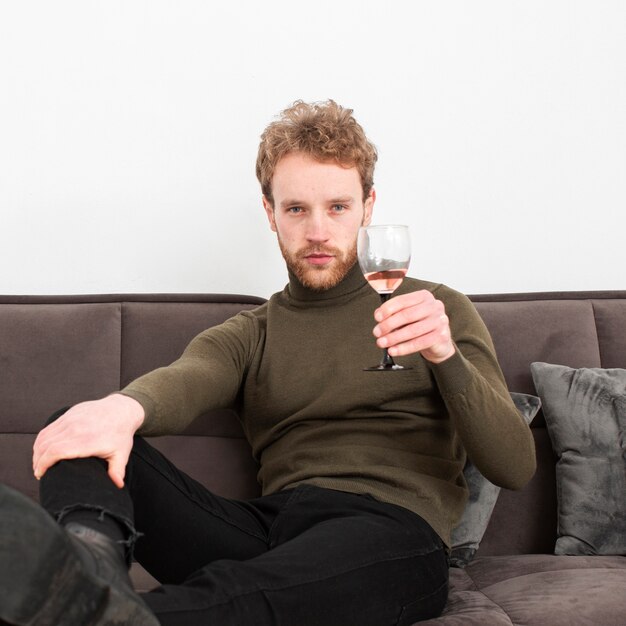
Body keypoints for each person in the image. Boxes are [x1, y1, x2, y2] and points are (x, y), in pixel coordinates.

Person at [0, 100, 536, 626]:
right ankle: (89, 572)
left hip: (390, 532)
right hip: (269, 528)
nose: (318, 231)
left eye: (338, 207)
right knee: (78, 426)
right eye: (297, 209)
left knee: (249, 594)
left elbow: (514, 467)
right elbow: (190, 378)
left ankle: (89, 615)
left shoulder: (435, 311)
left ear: (368, 207)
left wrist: (446, 358)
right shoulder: (252, 331)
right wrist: (122, 409)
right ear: (270, 213)